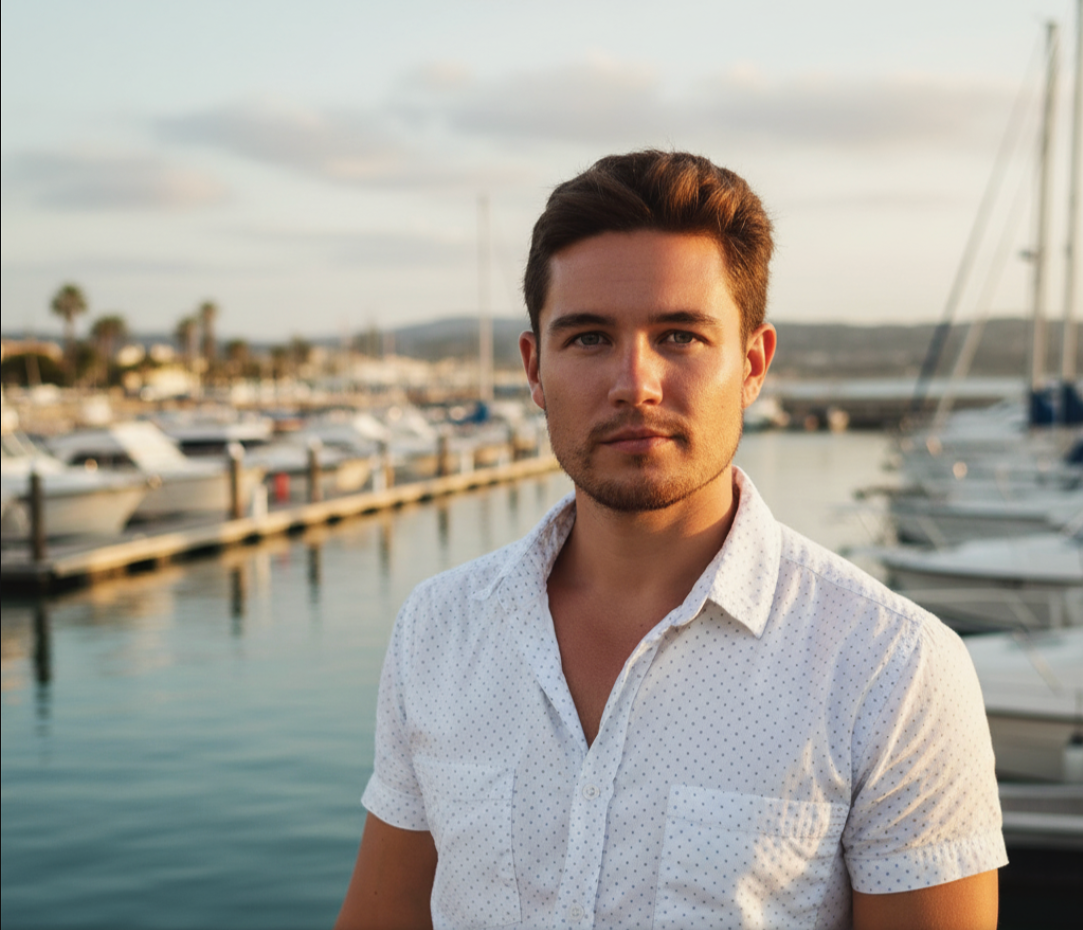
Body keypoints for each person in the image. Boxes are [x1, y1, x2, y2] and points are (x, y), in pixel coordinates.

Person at [335, 150, 1006, 930]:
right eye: (587, 338)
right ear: (534, 368)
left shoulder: (889, 668)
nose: (634, 382)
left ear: (752, 364)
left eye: (680, 336)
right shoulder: (440, 629)